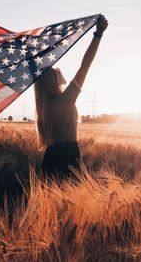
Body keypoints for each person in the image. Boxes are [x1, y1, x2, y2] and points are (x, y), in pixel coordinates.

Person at [34, 14, 108, 181]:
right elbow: (85, 66)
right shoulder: (65, 101)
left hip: (50, 156)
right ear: (52, 80)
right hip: (68, 156)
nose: (59, 70)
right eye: (56, 70)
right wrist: (98, 35)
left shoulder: (44, 107)